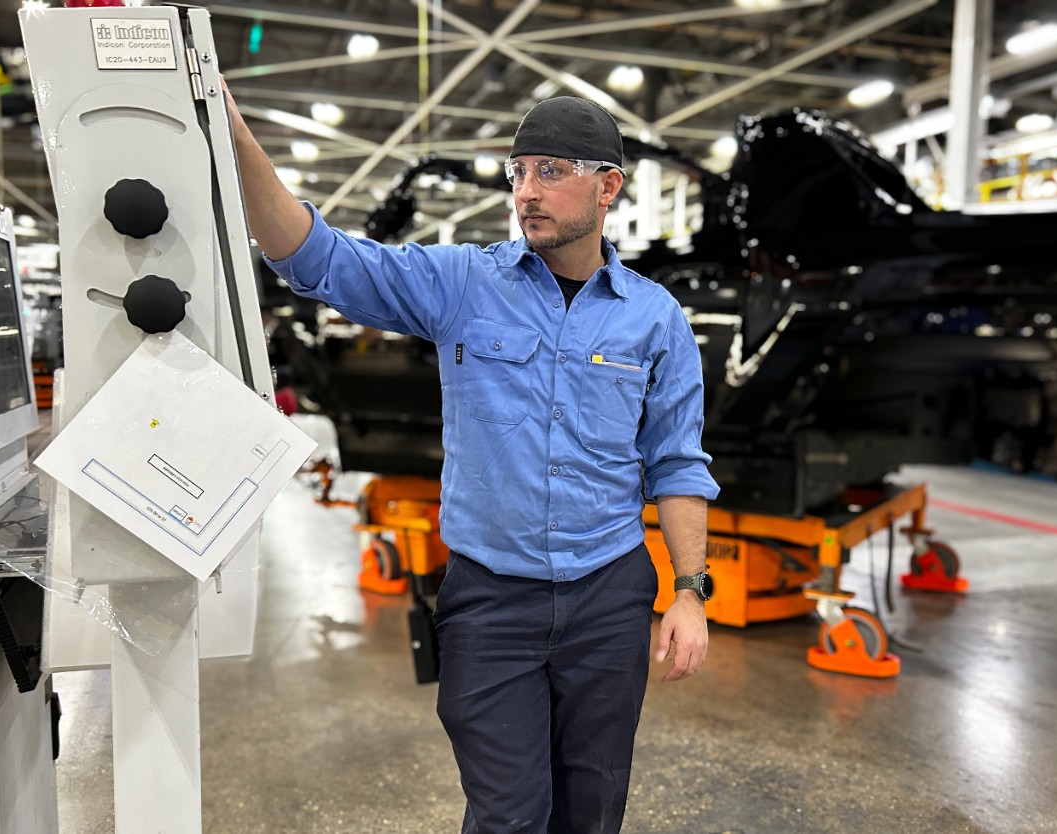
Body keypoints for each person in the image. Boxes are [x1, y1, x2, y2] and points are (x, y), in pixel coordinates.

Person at [226, 90, 720, 834]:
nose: (526, 191)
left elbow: (678, 463)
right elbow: (313, 258)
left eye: (550, 171)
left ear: (608, 186)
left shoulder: (655, 318)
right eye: (517, 172)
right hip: (492, 601)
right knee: (507, 814)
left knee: (592, 811)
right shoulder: (462, 284)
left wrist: (689, 591)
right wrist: (233, 135)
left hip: (608, 598)